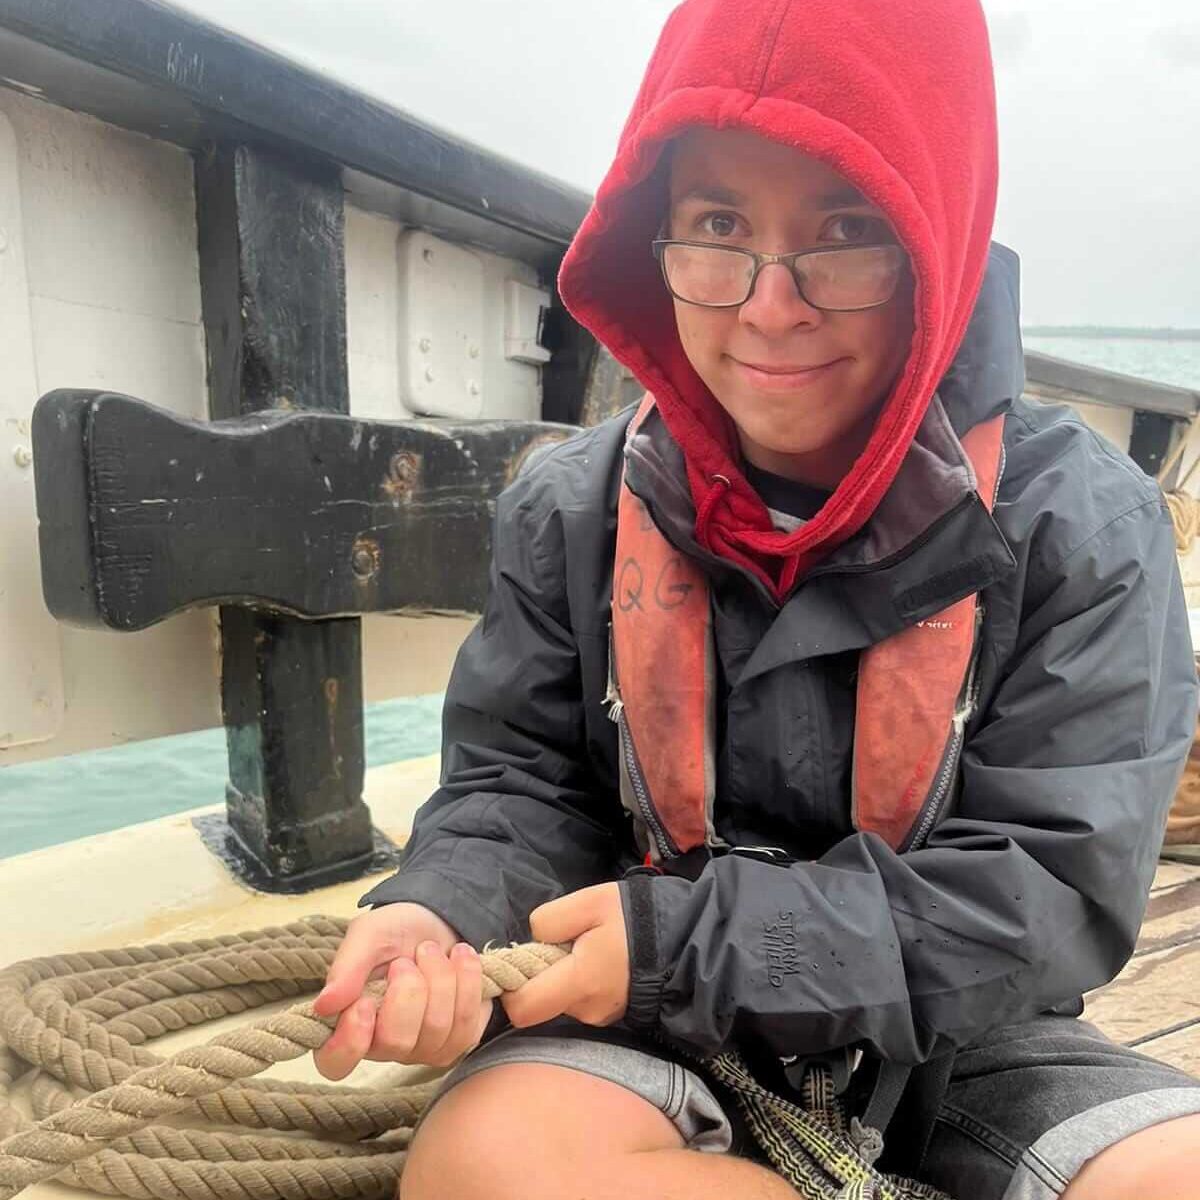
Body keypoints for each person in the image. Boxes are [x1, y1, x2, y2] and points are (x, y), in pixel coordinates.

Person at [312, 1, 1200, 1196]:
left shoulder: (1085, 524)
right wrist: (443, 912)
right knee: (488, 1166)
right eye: (717, 226)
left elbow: (1053, 890)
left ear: (937, 241)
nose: (769, 306)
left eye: (846, 230)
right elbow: (516, 786)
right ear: (653, 242)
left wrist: (695, 947)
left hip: (964, 1038)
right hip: (630, 1018)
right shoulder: (568, 509)